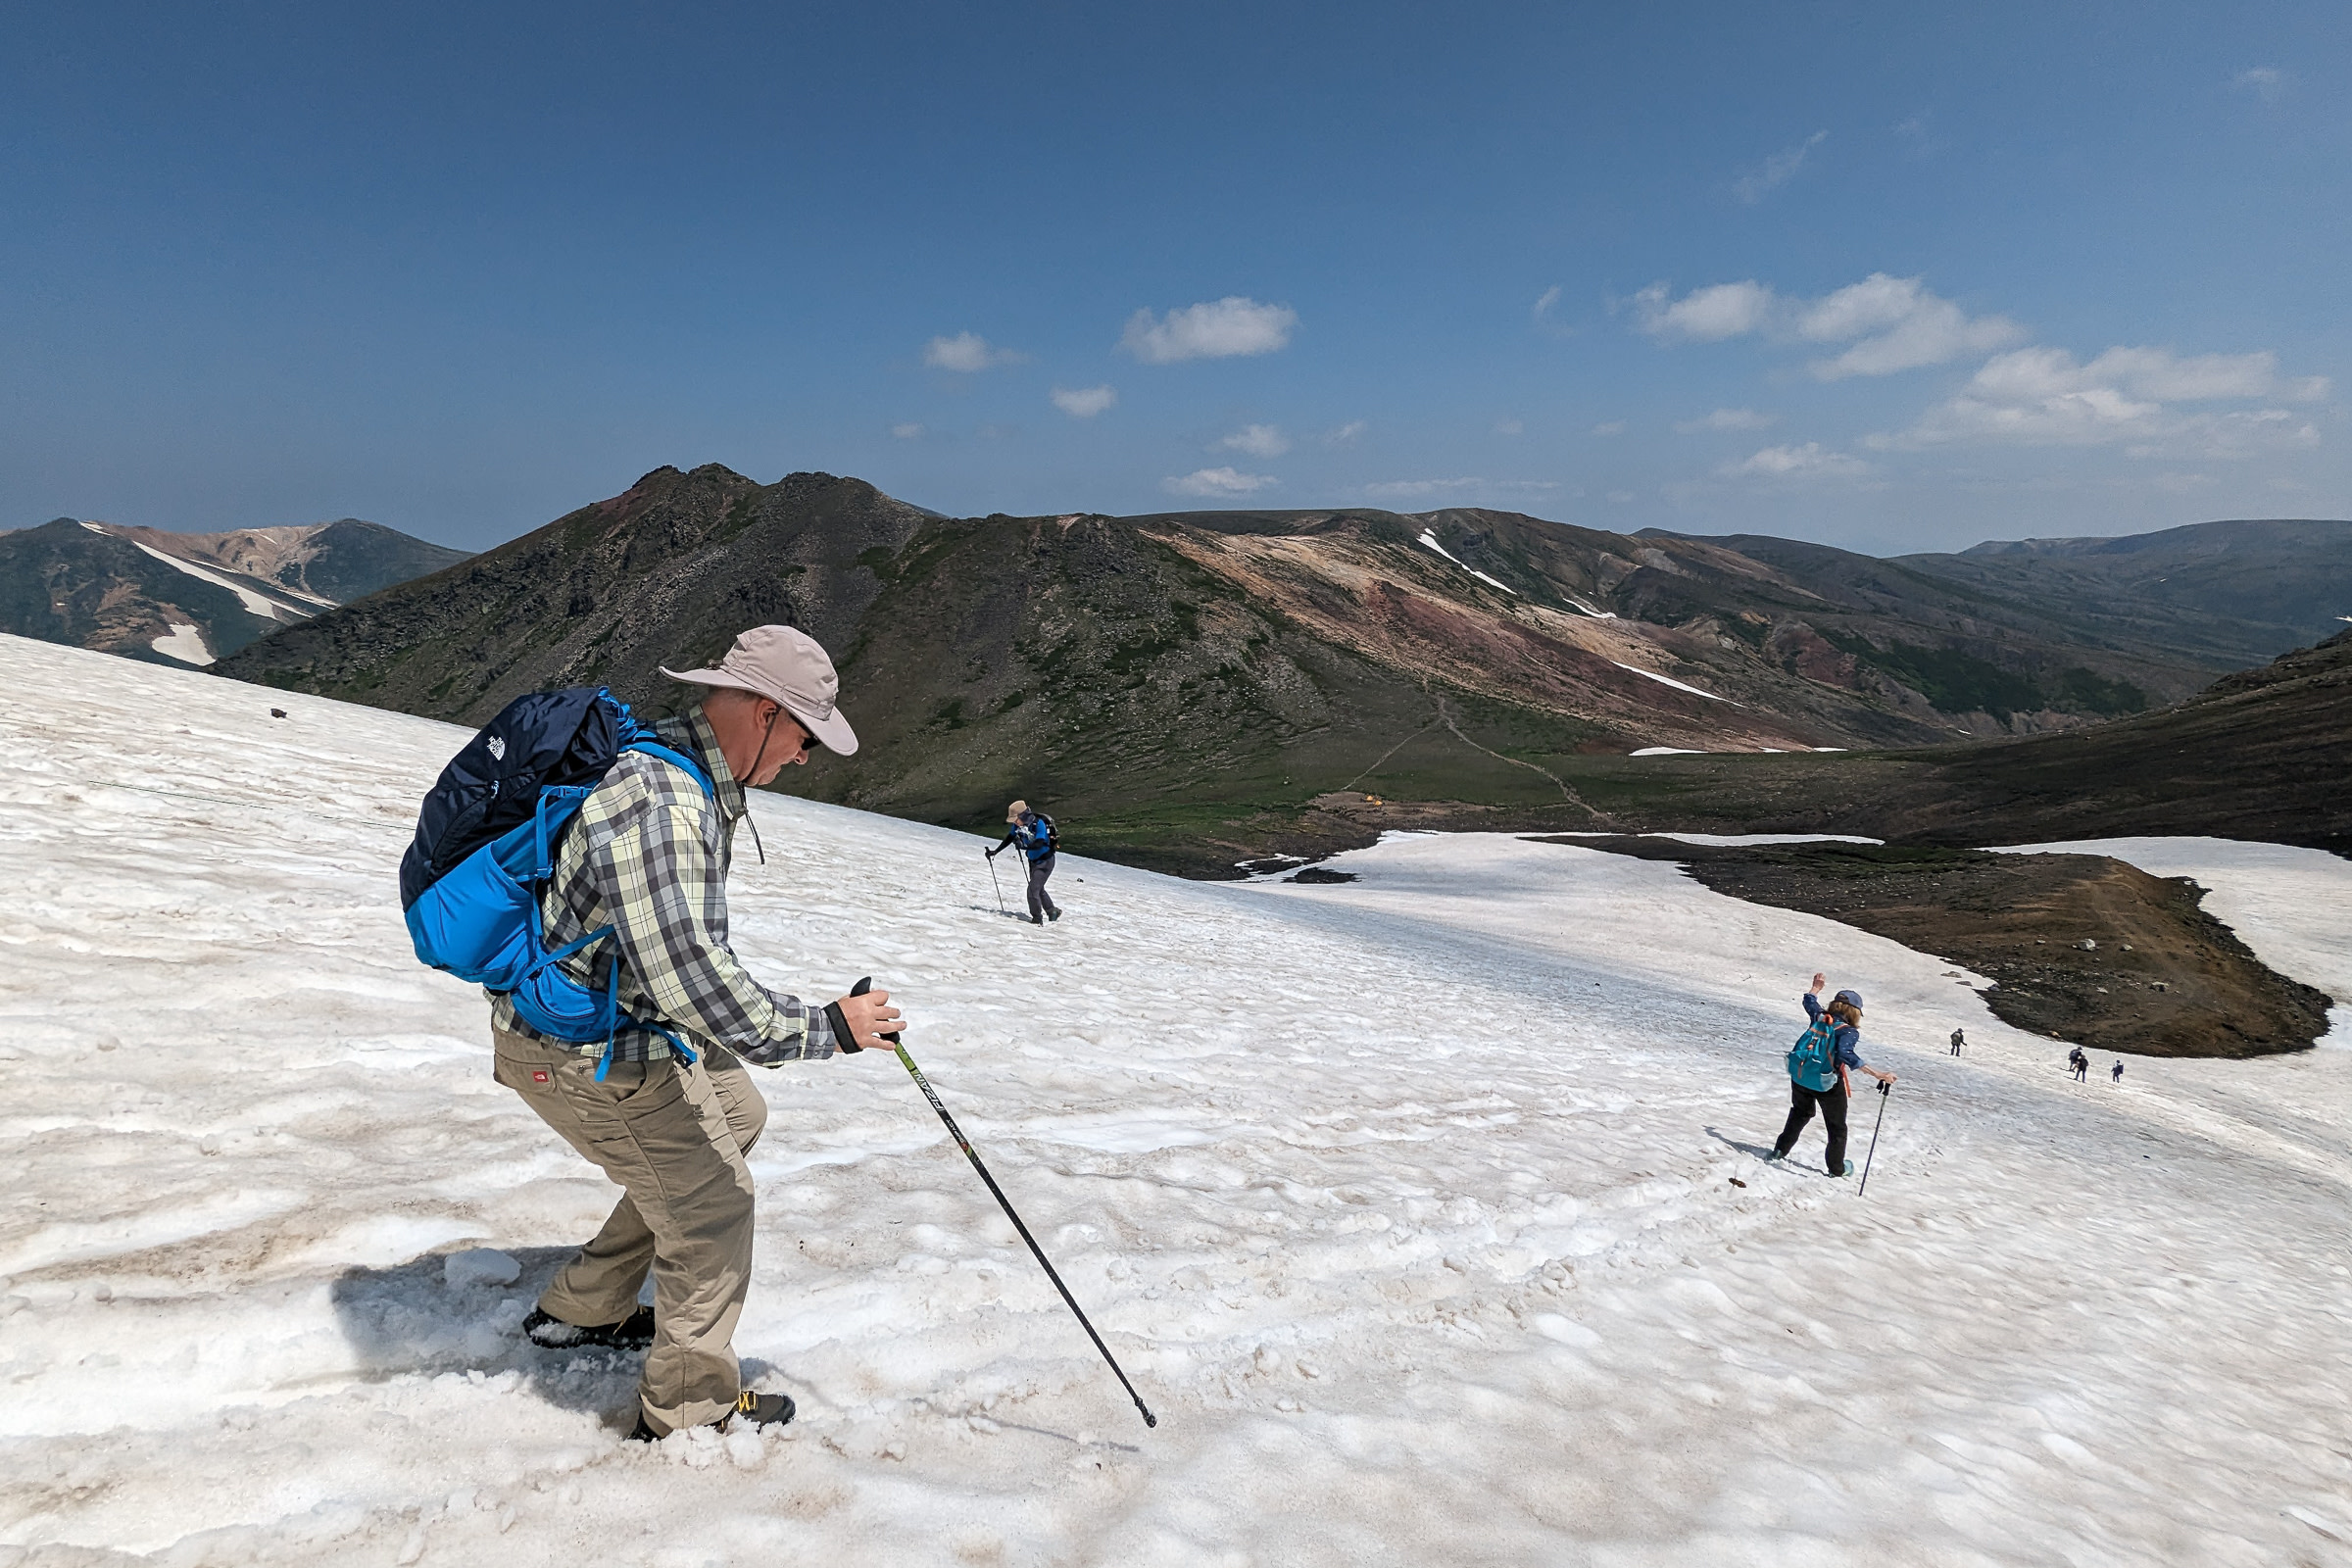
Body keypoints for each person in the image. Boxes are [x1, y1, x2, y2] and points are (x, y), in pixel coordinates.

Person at [490, 625, 905, 1443]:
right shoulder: (664, 803)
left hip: (602, 1023)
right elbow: (695, 979)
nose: (804, 756)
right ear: (759, 711)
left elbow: (670, 961)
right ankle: (688, 1410)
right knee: (715, 1204)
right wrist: (829, 1030)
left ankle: (583, 1309)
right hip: (582, 1051)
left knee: (736, 1119)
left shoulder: (674, 767)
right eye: (802, 734)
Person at [1767, 972, 1896, 1177]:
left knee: (1800, 1113)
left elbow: (1809, 1001)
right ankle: (1837, 1168)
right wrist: (1878, 1074)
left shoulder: (1819, 1017)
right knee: (1836, 1127)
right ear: (1854, 1011)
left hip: (1801, 1074)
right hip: (1827, 1083)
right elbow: (1846, 1054)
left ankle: (1779, 1151)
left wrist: (1816, 988)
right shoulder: (1847, 1031)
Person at [988, 799, 1061, 925]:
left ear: (1023, 816)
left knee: (1032, 890)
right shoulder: (1018, 825)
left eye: (1016, 819)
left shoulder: (1039, 824)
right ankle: (1052, 911)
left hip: (1045, 861)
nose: (1015, 822)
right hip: (1033, 861)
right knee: (1038, 888)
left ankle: (1037, 919)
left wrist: (1023, 846)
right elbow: (1010, 837)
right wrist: (995, 851)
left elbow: (1040, 842)